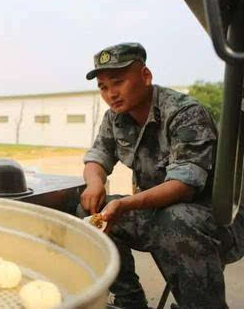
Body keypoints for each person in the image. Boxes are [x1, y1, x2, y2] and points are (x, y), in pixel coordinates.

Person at [80, 42, 244, 309]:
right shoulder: (115, 118)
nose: (111, 93)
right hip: (157, 211)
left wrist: (124, 204)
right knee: (88, 212)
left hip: (215, 219)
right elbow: (97, 156)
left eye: (118, 82)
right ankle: (130, 301)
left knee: (175, 219)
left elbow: (184, 185)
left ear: (145, 76)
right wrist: (95, 182)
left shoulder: (185, 113)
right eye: (103, 87)